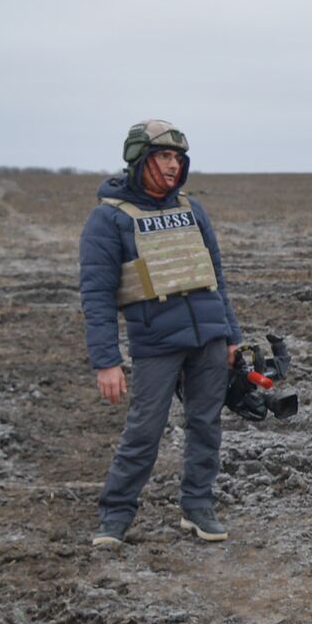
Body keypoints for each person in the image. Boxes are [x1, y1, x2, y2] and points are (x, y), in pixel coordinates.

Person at [80, 120, 242, 547]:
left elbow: (216, 275)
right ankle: (115, 516)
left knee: (205, 425)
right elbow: (95, 294)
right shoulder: (108, 218)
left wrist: (231, 334)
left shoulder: (192, 209)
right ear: (140, 159)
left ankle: (198, 506)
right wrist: (106, 361)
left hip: (208, 338)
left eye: (177, 158)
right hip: (155, 345)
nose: (173, 166)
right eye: (163, 157)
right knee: (143, 432)